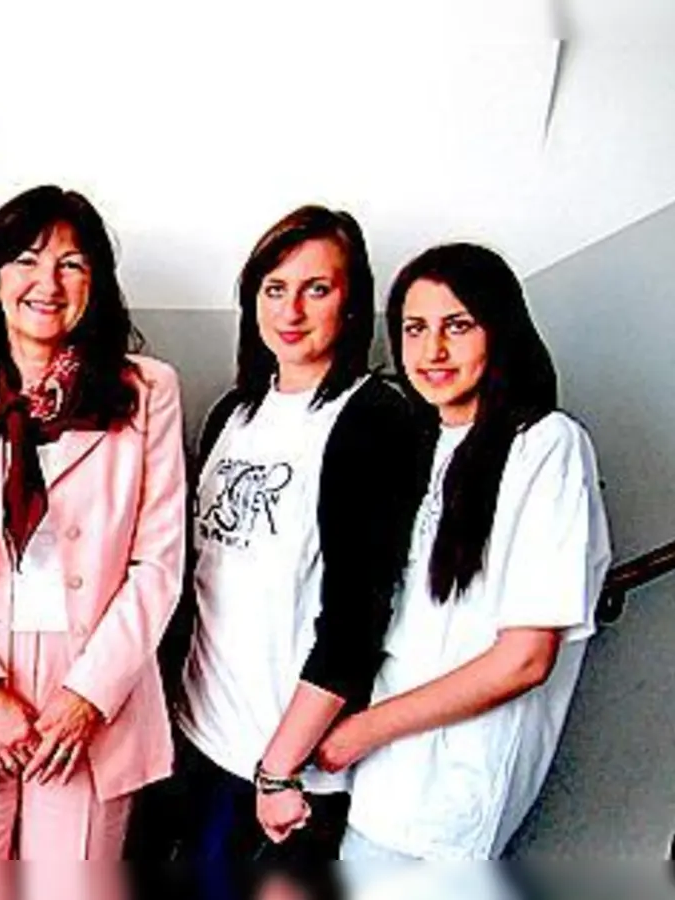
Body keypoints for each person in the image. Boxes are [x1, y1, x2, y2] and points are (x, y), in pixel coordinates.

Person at [0, 184, 187, 863]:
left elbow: (159, 562)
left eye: (71, 264)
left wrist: (88, 695)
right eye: (25, 260)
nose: (47, 284)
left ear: (97, 282)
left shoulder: (146, 391)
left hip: (92, 693)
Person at [317, 243, 611, 862]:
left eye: (457, 326)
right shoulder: (423, 441)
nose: (433, 351)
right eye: (414, 329)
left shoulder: (546, 445)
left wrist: (362, 731)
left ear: (499, 332)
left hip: (455, 790)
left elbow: (524, 659)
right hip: (383, 780)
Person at [169, 206, 427, 884]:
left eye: (317, 289)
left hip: (289, 773)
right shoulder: (235, 413)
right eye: (275, 288)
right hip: (202, 740)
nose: (291, 310)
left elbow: (358, 617)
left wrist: (280, 769)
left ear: (352, 303)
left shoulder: (372, 418)